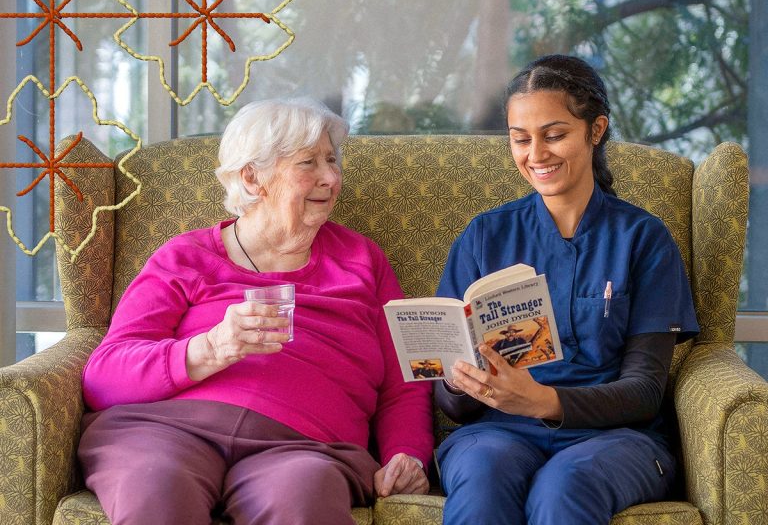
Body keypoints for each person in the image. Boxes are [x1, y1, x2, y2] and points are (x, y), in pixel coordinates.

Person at [77, 98, 433, 525]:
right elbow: (103, 377)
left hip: (305, 445)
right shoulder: (185, 257)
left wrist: (407, 453)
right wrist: (210, 348)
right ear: (252, 177)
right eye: (309, 163)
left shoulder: (362, 260)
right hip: (167, 430)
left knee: (302, 500)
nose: (331, 177)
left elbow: (406, 377)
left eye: (331, 160)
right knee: (155, 486)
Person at [435, 54, 699, 525]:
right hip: (499, 432)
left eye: (554, 135)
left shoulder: (643, 239)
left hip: (614, 438)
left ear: (596, 130)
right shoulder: (484, 236)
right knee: (482, 478)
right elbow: (451, 404)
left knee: (564, 486)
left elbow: (644, 391)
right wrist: (458, 382)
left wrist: (545, 401)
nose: (536, 154)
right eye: (521, 139)